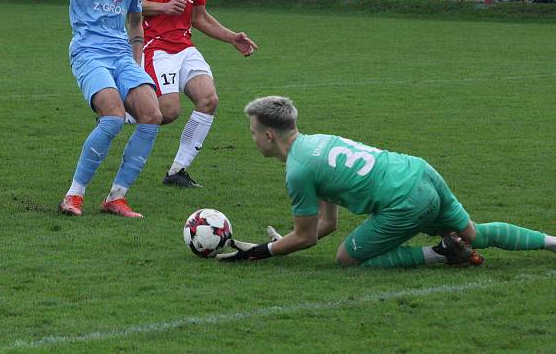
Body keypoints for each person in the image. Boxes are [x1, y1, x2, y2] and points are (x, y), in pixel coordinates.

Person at [216, 95, 556, 267]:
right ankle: (552, 242)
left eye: (253, 132)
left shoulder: (298, 170)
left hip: (405, 200)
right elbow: (327, 224)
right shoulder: (315, 143)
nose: (253, 139)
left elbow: (306, 238)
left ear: (270, 135)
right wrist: (286, 240)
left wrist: (260, 251)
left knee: (347, 260)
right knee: (475, 234)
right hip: (421, 171)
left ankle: (439, 252)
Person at [30, 0, 161, 218]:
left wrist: (135, 59)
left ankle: (117, 197)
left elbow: (134, 20)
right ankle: (74, 195)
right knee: (114, 117)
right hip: (89, 52)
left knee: (152, 115)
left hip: (122, 56)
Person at [135, 0, 257, 188]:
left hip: (184, 46)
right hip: (155, 45)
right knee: (168, 112)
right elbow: (129, 2)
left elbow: (199, 16)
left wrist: (232, 37)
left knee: (208, 99)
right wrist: (162, 7)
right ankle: (126, 112)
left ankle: (177, 170)